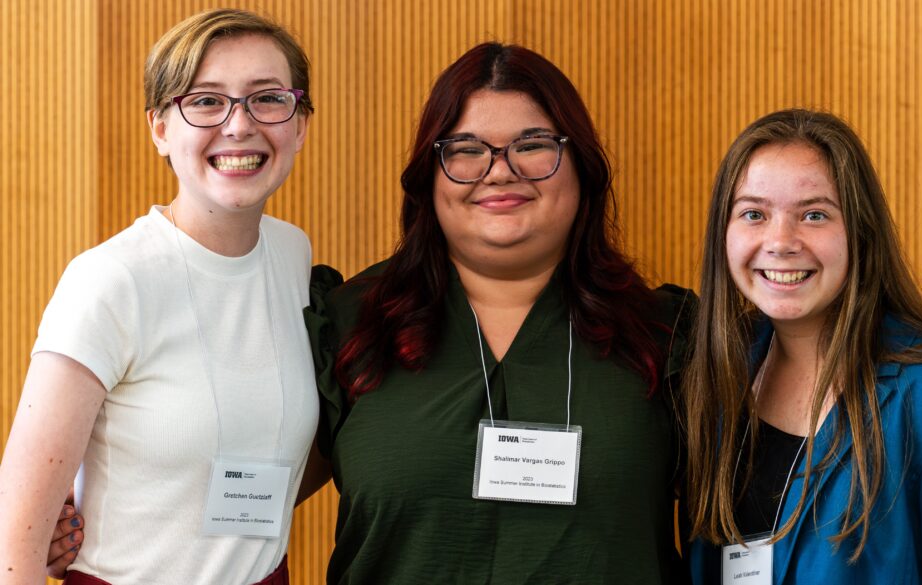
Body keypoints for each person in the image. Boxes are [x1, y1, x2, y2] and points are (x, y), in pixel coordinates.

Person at [304, 42, 696, 584]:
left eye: (533, 145)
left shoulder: (667, 337)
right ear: (429, 176)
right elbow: (230, 506)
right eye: (465, 148)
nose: (500, 171)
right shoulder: (347, 326)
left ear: (581, 166)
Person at [0, 9, 322, 584]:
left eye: (267, 98)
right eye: (205, 100)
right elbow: (15, 545)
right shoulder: (110, 280)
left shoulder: (293, 256)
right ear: (160, 129)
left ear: (299, 124)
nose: (239, 125)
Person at [680, 109, 922, 583]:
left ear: (860, 232)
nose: (780, 242)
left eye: (814, 214)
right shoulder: (710, 379)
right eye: (754, 214)